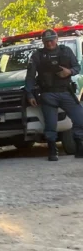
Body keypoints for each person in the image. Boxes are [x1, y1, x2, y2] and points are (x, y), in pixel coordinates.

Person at [25, 29, 83, 161]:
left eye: (51, 40)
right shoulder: (37, 55)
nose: (49, 43)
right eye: (46, 41)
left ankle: (79, 146)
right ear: (43, 42)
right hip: (48, 94)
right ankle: (52, 149)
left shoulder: (66, 51)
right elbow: (30, 77)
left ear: (56, 39)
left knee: (80, 119)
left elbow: (77, 68)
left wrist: (69, 71)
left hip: (66, 92)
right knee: (50, 125)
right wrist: (29, 94)